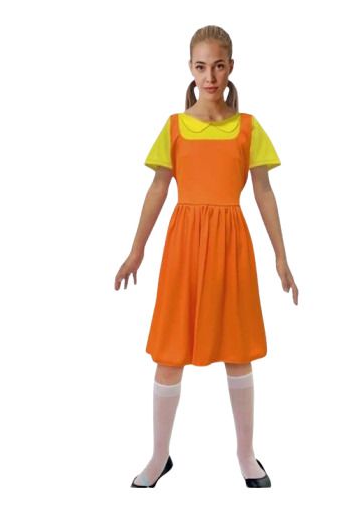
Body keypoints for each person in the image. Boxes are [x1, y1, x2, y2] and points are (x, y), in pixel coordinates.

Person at [114, 25, 299, 488]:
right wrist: (136, 249)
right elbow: (158, 189)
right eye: (201, 67)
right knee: (170, 352)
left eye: (218, 66)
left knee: (238, 352)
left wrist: (281, 256)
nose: (210, 76)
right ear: (190, 69)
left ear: (231, 67)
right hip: (184, 247)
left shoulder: (248, 128)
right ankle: (159, 456)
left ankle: (246, 455)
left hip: (231, 246)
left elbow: (264, 193)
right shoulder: (174, 127)